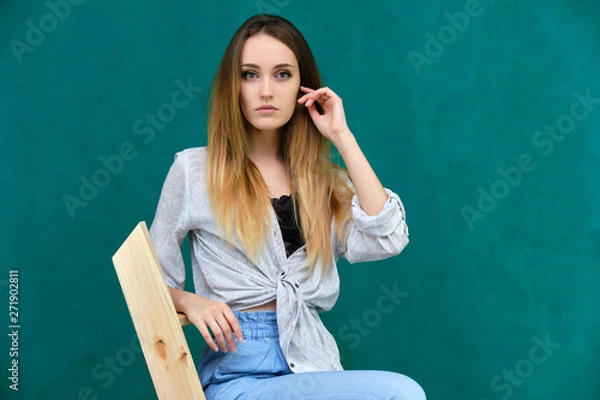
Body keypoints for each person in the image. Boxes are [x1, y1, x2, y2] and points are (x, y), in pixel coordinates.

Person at [149, 13, 425, 400]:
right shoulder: (194, 170)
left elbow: (388, 238)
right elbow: (151, 283)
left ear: (302, 86)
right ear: (234, 86)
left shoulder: (324, 180)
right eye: (250, 74)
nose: (266, 90)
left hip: (311, 363)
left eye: (282, 74)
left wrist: (342, 137)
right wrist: (191, 302)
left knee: (402, 393)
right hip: (237, 372)